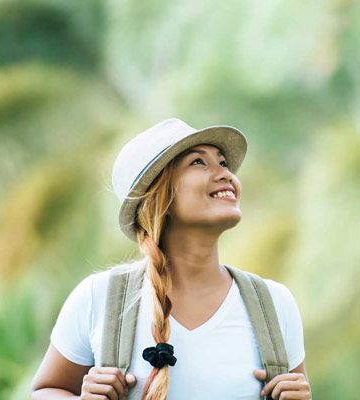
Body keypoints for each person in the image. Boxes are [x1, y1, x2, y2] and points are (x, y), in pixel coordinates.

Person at [30, 118, 310, 400]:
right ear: (159, 194)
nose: (225, 174)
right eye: (198, 163)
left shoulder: (274, 304)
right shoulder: (99, 297)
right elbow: (44, 391)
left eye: (223, 162)